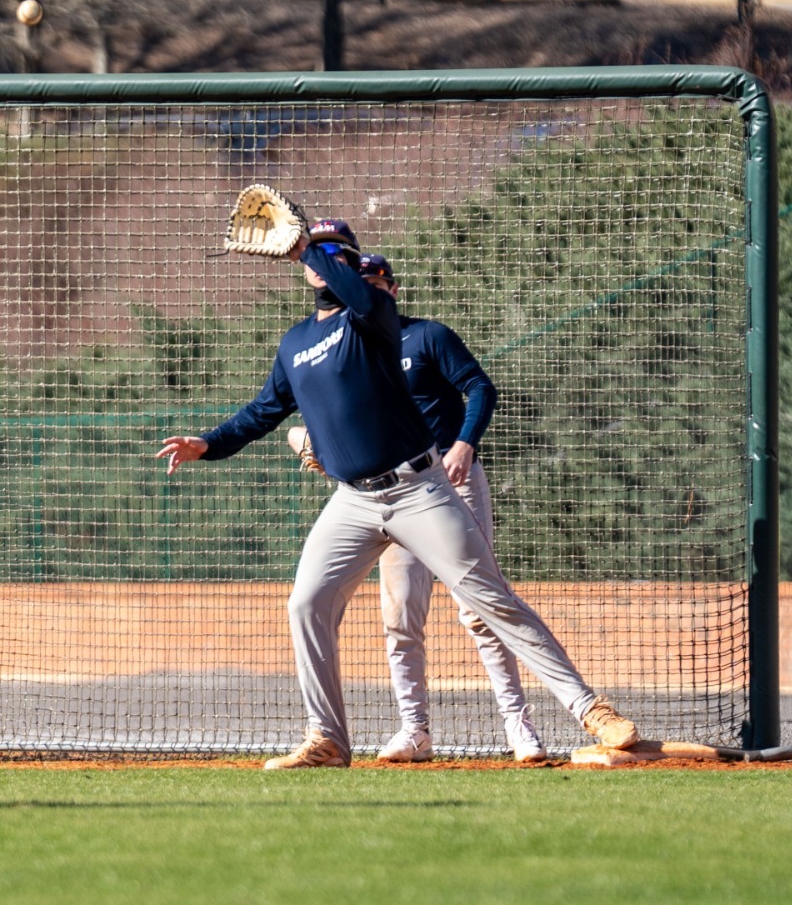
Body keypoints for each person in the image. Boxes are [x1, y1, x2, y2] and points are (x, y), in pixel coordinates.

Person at [157, 218, 642, 768]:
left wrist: (305, 251)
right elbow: (264, 412)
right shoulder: (295, 343)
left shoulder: (374, 318)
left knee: (489, 599)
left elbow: (370, 305)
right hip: (353, 500)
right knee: (307, 603)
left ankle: (590, 709)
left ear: (351, 264)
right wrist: (208, 443)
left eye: (338, 252)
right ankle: (328, 739)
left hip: (419, 489)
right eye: (322, 252)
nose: (328, 260)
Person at [357, 253, 543, 764]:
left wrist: (466, 442)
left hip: (450, 482)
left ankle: (518, 726)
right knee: (399, 617)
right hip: (393, 494)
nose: (371, 291)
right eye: (361, 284)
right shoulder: (354, 355)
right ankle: (415, 731)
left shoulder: (427, 336)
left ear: (393, 291)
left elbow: (479, 386)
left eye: (378, 283)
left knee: (481, 608)